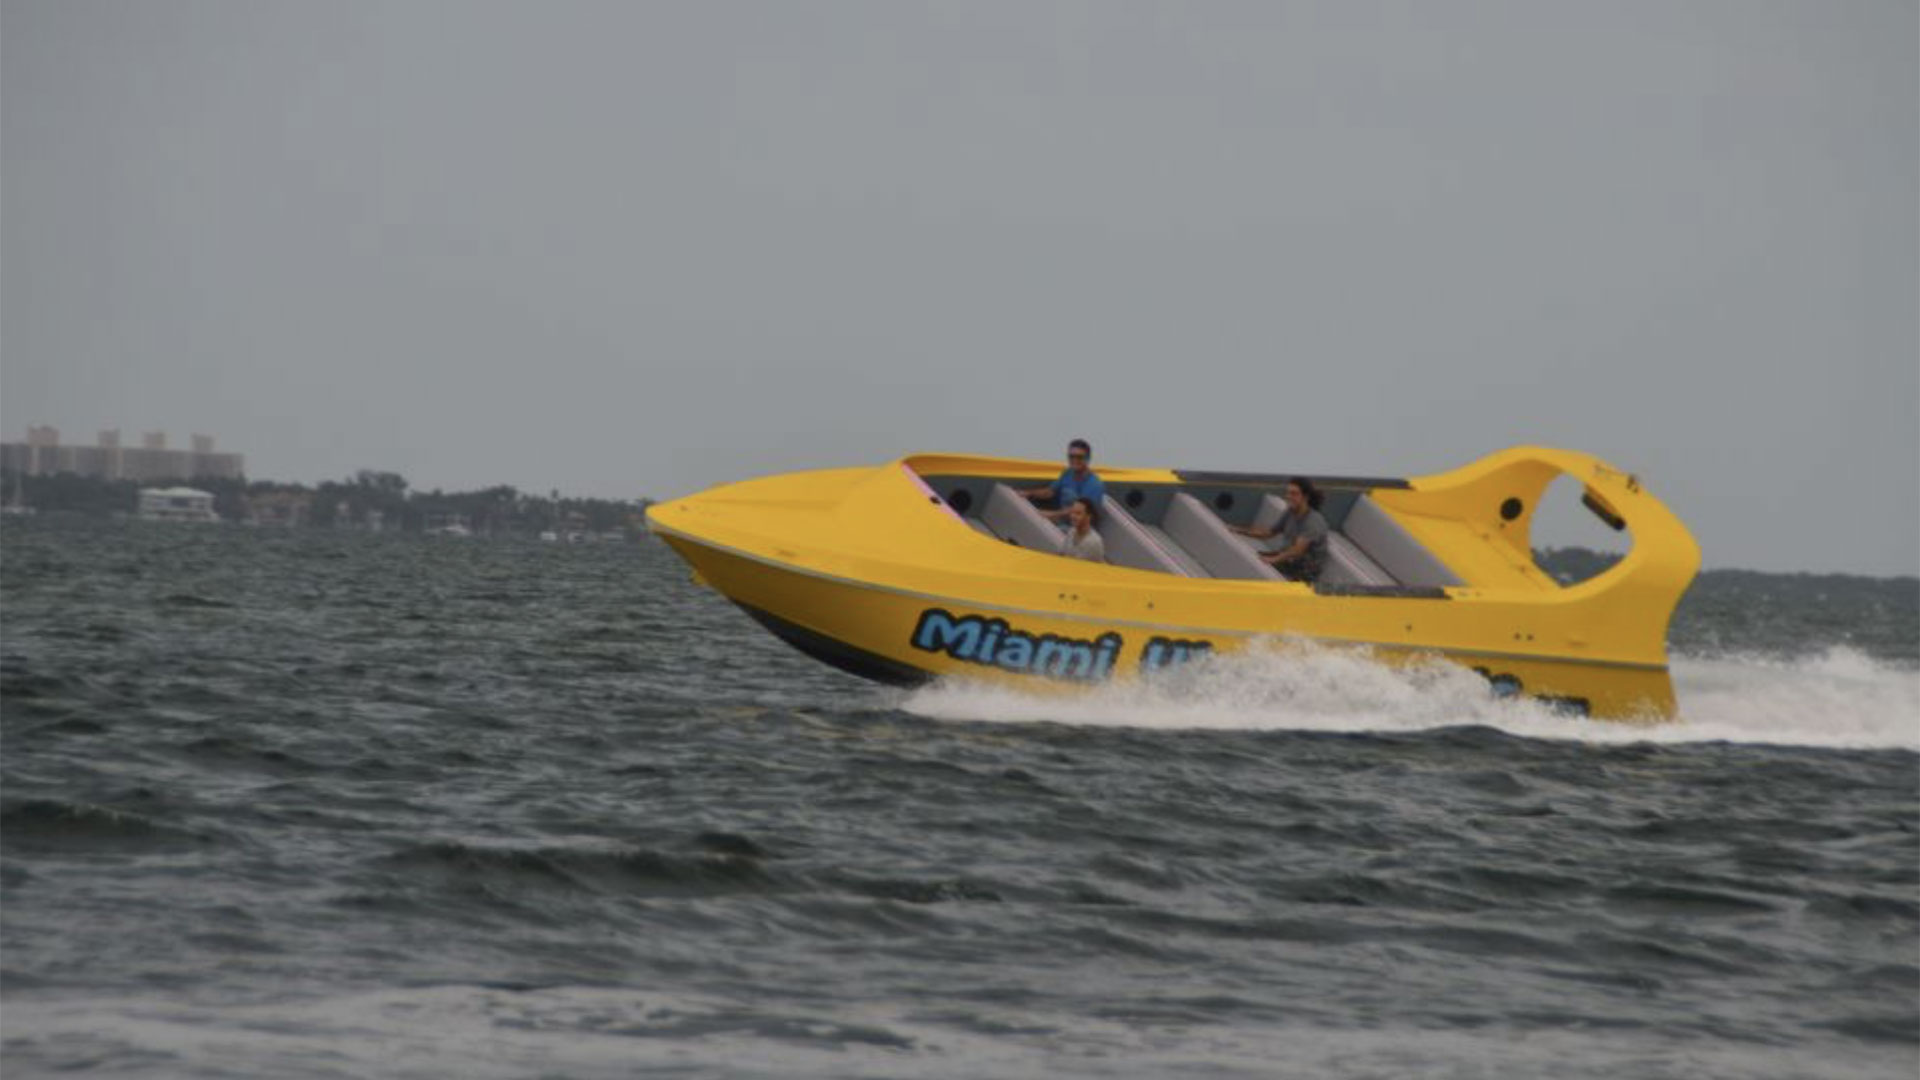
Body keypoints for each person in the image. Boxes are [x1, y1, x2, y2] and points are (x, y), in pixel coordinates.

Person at [1230, 478, 1329, 582]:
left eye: (1294, 493)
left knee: (1261, 566)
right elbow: (1269, 532)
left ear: (1305, 497)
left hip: (1303, 573)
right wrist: (1239, 530)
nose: (1288, 497)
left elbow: (1297, 550)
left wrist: (1273, 560)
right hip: (1288, 562)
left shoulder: (1313, 521)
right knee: (1251, 558)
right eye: (1288, 493)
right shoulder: (1291, 512)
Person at [1021, 438, 1106, 522]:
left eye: (1079, 457)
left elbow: (1080, 511)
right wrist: (1028, 493)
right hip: (1062, 522)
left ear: (1088, 459)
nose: (1074, 460)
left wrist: (1051, 514)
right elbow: (1050, 492)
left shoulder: (1094, 484)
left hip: (1079, 528)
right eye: (1071, 456)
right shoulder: (1068, 473)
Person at [1058, 497, 1106, 562]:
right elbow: (1061, 554)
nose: (1073, 516)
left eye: (1078, 513)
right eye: (1072, 512)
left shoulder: (1094, 542)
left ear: (1089, 516)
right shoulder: (1071, 532)